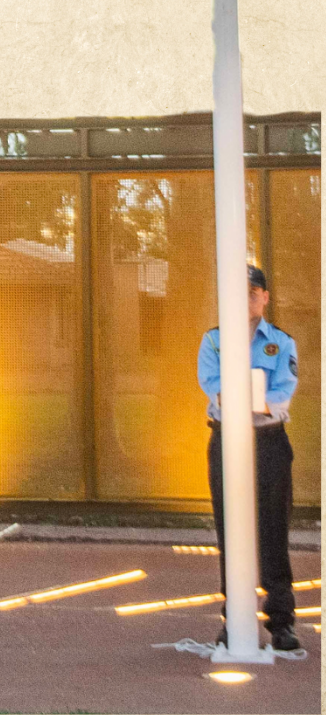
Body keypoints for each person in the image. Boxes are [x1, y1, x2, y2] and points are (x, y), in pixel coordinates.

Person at [197, 264, 301, 653]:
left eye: (253, 293)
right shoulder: (213, 341)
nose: (246, 300)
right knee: (229, 530)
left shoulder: (281, 342)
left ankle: (281, 622)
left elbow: (280, 395)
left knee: (274, 530)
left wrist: (244, 398)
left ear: (265, 298)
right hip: (226, 440)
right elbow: (214, 387)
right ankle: (235, 619)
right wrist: (250, 398)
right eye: (239, 293)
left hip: (268, 443)